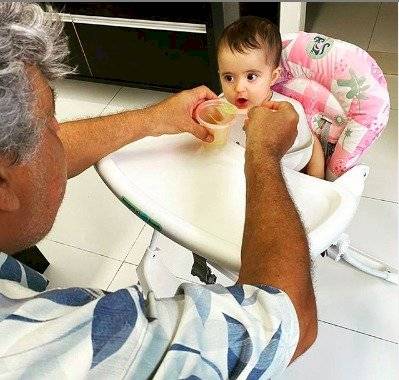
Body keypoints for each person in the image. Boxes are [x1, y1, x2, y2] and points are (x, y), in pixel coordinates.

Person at [0, 3, 317, 379]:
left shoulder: (285, 111)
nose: (61, 131)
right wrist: (264, 154)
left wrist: (153, 119)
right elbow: (283, 320)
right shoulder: (63, 344)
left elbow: (311, 152)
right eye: (51, 122)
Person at [217, 16, 325, 179]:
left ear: (273, 76)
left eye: (251, 76)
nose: (238, 88)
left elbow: (310, 149)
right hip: (238, 166)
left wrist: (317, 182)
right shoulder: (222, 104)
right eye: (229, 78)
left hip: (289, 171)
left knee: (314, 146)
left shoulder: (288, 111)